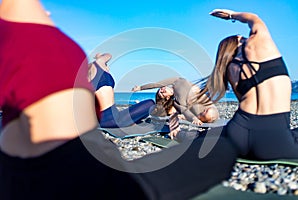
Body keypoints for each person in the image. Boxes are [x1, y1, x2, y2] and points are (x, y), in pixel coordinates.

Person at [0, 2, 238, 199]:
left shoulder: (21, 44)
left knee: (155, 116)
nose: (48, 11)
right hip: (97, 162)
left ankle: (179, 130)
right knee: (221, 152)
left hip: (29, 170)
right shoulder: (42, 45)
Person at [195, 9, 298, 160]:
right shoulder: (258, 45)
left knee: (208, 137)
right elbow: (254, 19)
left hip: (239, 133)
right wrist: (231, 15)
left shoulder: (228, 69)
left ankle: (183, 134)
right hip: (274, 141)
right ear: (239, 40)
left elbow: (244, 100)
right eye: (242, 37)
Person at [132, 77, 219, 138]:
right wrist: (193, 118)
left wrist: (140, 88)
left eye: (160, 90)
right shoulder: (176, 102)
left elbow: (156, 84)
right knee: (207, 115)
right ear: (167, 97)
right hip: (202, 115)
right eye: (162, 93)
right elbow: (184, 110)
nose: (162, 89)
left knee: (210, 114)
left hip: (209, 107)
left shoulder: (177, 81)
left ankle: (195, 118)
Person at [88, 53, 155, 128]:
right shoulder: (98, 64)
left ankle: (130, 122)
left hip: (100, 119)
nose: (108, 68)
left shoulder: (85, 75)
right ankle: (131, 122)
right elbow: (109, 55)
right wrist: (99, 57)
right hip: (113, 120)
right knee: (150, 103)